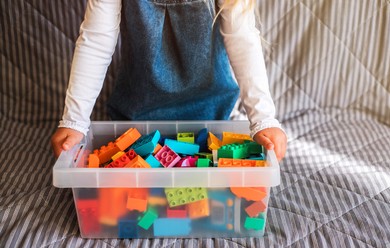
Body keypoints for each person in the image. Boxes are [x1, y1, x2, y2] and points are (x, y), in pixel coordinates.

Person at [51, 0, 287, 161]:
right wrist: (74, 121)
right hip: (136, 115)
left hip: (215, 113)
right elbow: (96, 41)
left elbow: (242, 39)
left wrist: (264, 119)